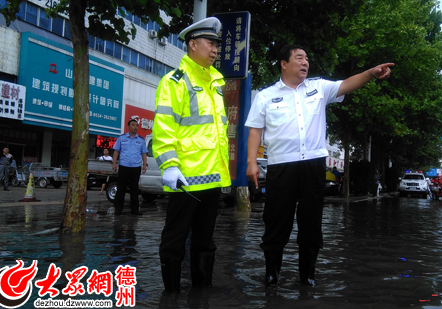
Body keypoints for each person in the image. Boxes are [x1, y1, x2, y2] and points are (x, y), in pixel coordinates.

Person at [245, 44, 393, 287]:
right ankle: (272, 274)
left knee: (311, 222)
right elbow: (255, 131)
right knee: (276, 222)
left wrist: (370, 73)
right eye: (299, 58)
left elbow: (346, 84)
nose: (305, 62)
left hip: (313, 165)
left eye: (307, 58)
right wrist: (252, 162)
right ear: (284, 63)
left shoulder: (318, 87)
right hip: (281, 167)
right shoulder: (266, 96)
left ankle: (308, 276)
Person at [152, 17, 230, 293]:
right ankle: (170, 296)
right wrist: (170, 167)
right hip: (185, 179)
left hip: (211, 179)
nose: (215, 50)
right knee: (175, 239)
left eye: (217, 45)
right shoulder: (175, 82)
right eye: (210, 43)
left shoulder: (214, 85)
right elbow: (163, 129)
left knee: (205, 241)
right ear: (192, 44)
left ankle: (201, 294)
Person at [112, 119, 148, 215]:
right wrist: (114, 163)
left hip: (135, 167)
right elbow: (116, 151)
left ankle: (135, 210)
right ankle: (118, 209)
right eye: (133, 125)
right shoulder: (121, 138)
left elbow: (144, 153)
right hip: (124, 166)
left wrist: (144, 165)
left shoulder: (140, 140)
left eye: (136, 125)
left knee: (134, 189)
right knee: (121, 189)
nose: (135, 127)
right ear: (128, 127)